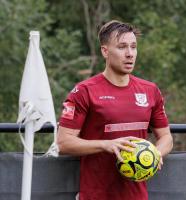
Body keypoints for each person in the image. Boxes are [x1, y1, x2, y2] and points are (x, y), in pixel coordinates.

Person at [57, 20, 173, 200]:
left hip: (137, 195)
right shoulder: (84, 91)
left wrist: (154, 154)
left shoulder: (150, 91)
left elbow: (166, 138)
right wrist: (105, 144)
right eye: (122, 47)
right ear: (105, 51)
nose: (130, 54)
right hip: (96, 195)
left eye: (133, 47)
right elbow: (62, 143)